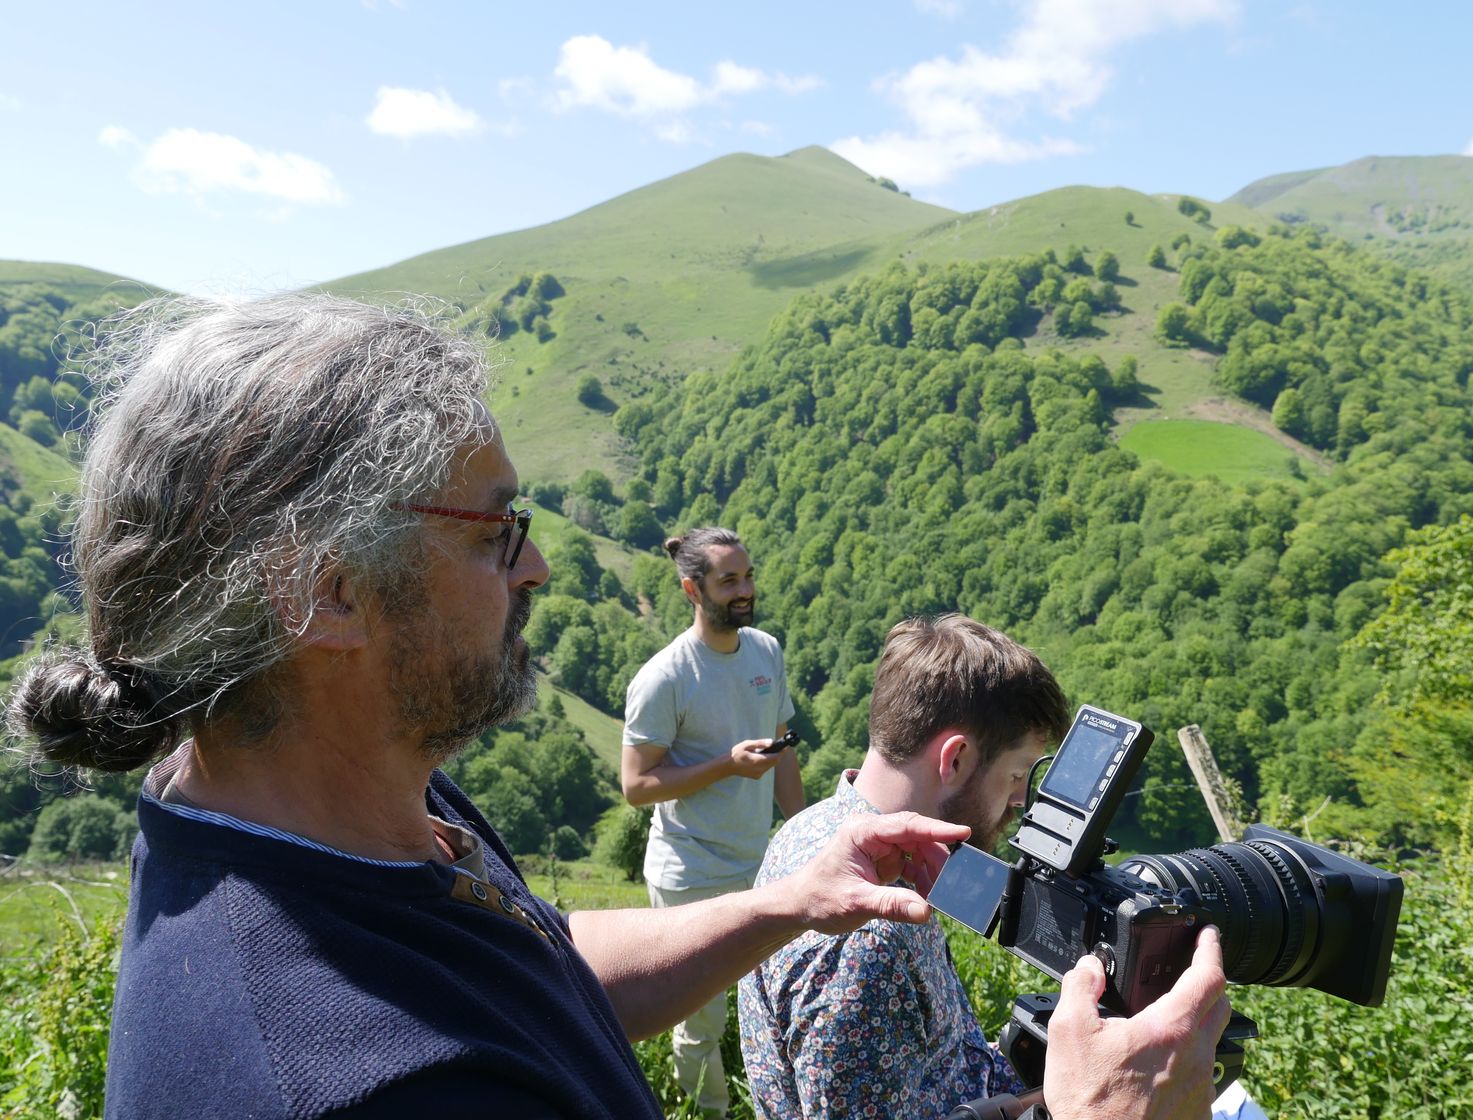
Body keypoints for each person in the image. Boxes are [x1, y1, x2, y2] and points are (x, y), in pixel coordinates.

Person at [6, 294, 1225, 1120]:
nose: (536, 569)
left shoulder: (331, 803)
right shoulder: (375, 1082)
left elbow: (527, 960)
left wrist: (783, 903)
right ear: (328, 591)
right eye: (496, 532)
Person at [740, 614, 1241, 1120]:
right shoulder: (868, 935)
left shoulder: (815, 831)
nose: (1021, 801)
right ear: (954, 759)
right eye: (1017, 774)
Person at [621, 527, 804, 1115]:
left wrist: (804, 835)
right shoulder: (666, 677)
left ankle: (782, 1104)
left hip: (760, 862)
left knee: (777, 998)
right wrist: (726, 766)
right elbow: (636, 786)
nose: (745, 590)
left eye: (748, 576)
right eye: (729, 581)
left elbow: (783, 750)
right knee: (699, 1020)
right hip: (691, 872)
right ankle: (709, 1113)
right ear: (691, 589)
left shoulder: (765, 651)